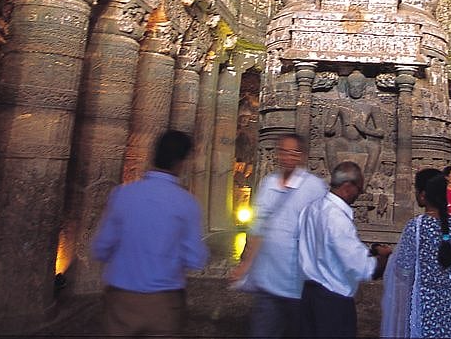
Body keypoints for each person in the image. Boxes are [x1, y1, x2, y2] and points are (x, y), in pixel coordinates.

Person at [92, 130, 207, 337]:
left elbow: (101, 248)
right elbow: (195, 258)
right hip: (163, 303)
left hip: (121, 300)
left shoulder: (123, 194)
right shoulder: (186, 203)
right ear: (181, 162)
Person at [229, 134, 327, 337]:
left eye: (294, 152)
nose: (288, 157)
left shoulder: (314, 187)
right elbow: (259, 227)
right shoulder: (268, 183)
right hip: (268, 281)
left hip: (298, 282)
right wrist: (245, 265)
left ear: (302, 155)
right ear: (278, 154)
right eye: (284, 152)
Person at [298, 161, 392, 338]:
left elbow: (326, 250)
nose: (359, 194)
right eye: (359, 189)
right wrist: (384, 257)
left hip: (308, 296)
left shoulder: (311, 209)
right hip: (332, 303)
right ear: (347, 186)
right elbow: (364, 268)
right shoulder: (337, 218)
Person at [381, 169, 451, 338]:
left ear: (423, 195)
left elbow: (403, 270)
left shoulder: (416, 228)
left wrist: (389, 257)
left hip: (426, 309)